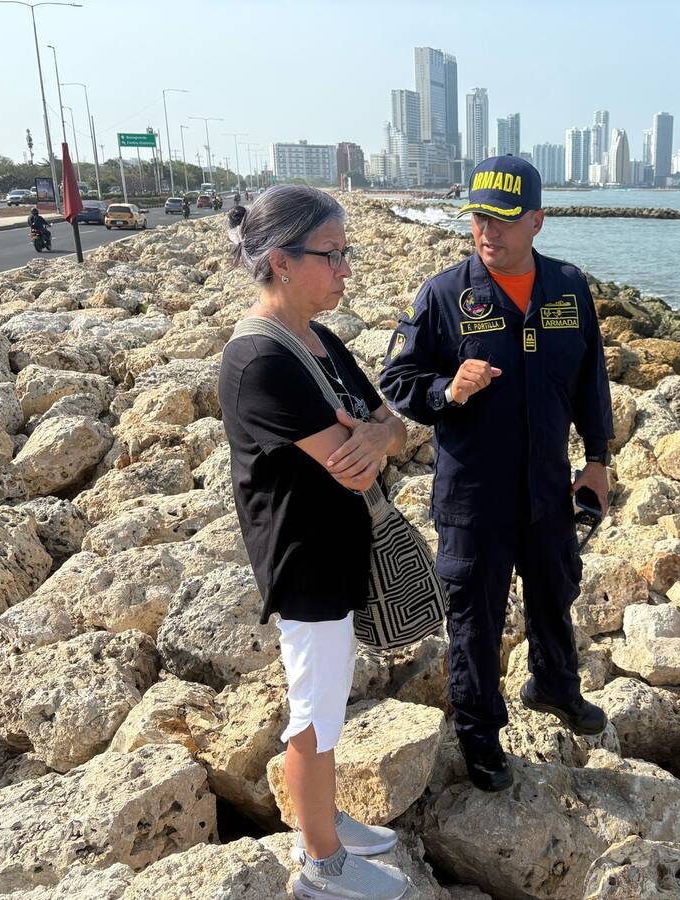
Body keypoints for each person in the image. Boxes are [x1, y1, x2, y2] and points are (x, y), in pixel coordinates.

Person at [379, 155, 613, 792]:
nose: (489, 231)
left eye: (505, 219)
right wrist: (445, 391)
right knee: (475, 619)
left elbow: (592, 379)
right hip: (474, 496)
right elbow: (396, 381)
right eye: (480, 216)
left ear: (537, 220)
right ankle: (480, 734)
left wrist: (597, 459)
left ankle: (557, 687)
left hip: (547, 486)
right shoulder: (444, 295)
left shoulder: (568, 288)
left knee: (555, 588)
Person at [218, 185, 409, 900]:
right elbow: (353, 456)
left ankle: (323, 819)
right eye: (332, 255)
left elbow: (385, 420)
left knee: (329, 695)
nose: (346, 270)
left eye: (346, 253)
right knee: (316, 710)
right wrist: (377, 438)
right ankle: (321, 863)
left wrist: (381, 433)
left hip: (338, 544)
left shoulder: (317, 337)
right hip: (304, 558)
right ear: (281, 260)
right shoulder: (259, 360)